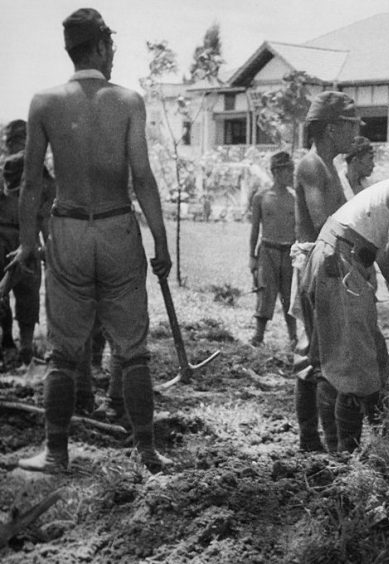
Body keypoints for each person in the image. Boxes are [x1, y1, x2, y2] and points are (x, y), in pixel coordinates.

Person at [11, 8, 172, 473]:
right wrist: (160, 242)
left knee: (64, 352)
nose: (113, 52)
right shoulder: (127, 101)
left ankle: (56, 452)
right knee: (132, 349)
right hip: (118, 228)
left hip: (69, 229)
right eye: (111, 45)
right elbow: (142, 177)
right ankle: (146, 451)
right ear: (101, 46)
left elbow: (32, 184)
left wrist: (26, 244)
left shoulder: (44, 102)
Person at [300, 171, 389, 451]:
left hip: (348, 263)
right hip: (338, 261)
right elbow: (388, 263)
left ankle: (388, 443)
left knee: (373, 362)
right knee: (351, 368)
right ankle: (344, 459)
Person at [291, 91, 360, 452]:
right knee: (322, 356)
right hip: (319, 261)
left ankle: (315, 440)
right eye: (351, 126)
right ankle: (323, 442)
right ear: (332, 128)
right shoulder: (312, 165)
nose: (356, 133)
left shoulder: (329, 165)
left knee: (318, 351)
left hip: (329, 260)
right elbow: (324, 224)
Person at [0, 120, 54, 368]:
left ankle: (14, 346)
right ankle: (22, 346)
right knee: (26, 294)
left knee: (10, 294)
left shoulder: (15, 166)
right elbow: (45, 213)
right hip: (25, 238)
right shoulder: (36, 170)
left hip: (13, 238)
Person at [249, 151, 297, 349]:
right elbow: (254, 229)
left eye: (291, 171)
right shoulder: (261, 197)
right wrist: (252, 256)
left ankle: (293, 337)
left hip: (289, 252)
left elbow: (300, 227)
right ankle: (258, 336)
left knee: (289, 296)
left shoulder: (294, 198)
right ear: (276, 172)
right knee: (265, 293)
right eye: (287, 171)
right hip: (268, 251)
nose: (290, 175)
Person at [339, 135, 374, 199]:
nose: (373, 165)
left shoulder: (369, 187)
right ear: (355, 160)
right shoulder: (337, 186)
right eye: (370, 159)